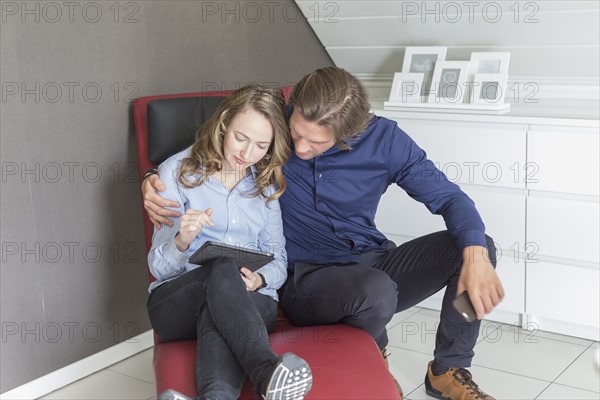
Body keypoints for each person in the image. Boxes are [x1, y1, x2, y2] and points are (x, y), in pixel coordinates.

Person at [143, 68, 504, 400]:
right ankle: (375, 355)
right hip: (309, 278)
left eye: (316, 144)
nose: (299, 149)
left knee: (477, 249)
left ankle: (449, 368)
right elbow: (222, 140)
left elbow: (450, 198)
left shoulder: (386, 141)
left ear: (353, 132)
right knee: (375, 293)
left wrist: (475, 256)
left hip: (371, 262)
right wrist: (151, 180)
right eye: (296, 135)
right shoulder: (276, 125)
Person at [145, 84, 313, 400]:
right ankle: (267, 373)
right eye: (240, 138)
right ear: (223, 125)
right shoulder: (176, 173)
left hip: (250, 303)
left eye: (261, 145)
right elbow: (158, 268)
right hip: (178, 304)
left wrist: (259, 279)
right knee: (222, 268)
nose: (247, 154)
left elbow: (278, 259)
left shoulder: (265, 186)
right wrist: (182, 239)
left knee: (222, 307)